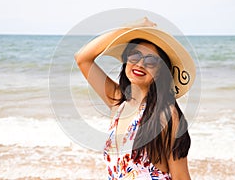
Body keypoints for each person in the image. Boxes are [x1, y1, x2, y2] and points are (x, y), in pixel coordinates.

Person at [75, 17, 195, 179]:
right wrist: (130, 28)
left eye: (151, 60)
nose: (140, 64)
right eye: (134, 55)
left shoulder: (166, 115)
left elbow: (181, 177)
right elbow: (82, 58)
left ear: (160, 71)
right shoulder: (118, 102)